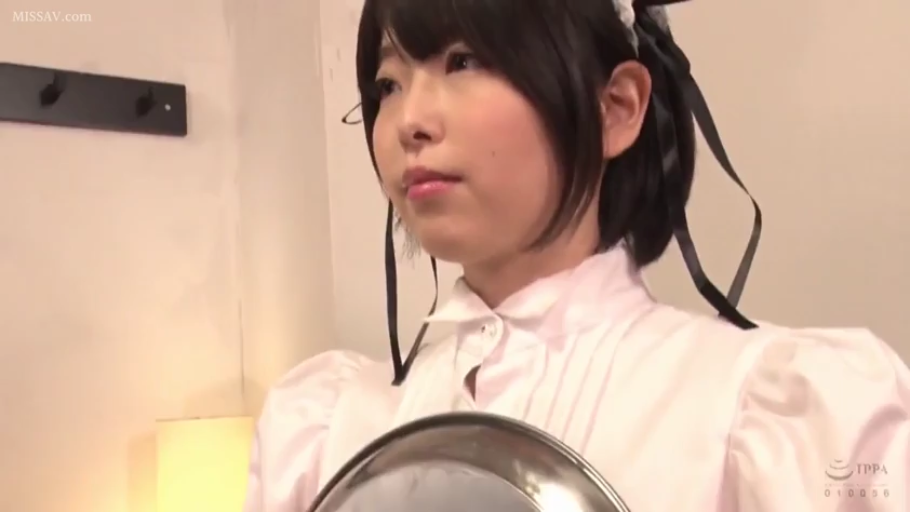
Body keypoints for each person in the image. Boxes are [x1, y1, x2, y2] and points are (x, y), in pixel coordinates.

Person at [243, 0, 910, 510]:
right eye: (387, 84)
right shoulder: (328, 426)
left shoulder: (767, 411)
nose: (410, 120)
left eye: (463, 62)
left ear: (617, 108)